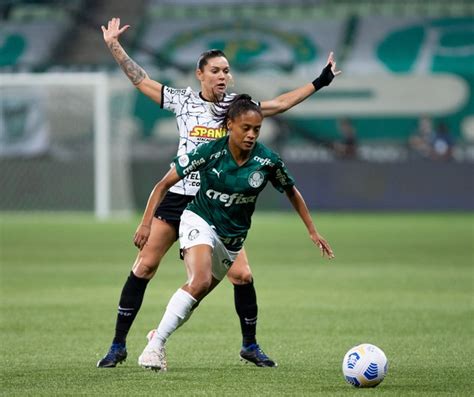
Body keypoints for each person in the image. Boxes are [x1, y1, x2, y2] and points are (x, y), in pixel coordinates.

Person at [97, 17, 341, 369]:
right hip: (180, 195)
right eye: (215, 70)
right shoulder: (182, 102)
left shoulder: (240, 109)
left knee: (241, 276)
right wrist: (115, 47)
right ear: (200, 74)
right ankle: (118, 345)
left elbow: (282, 103)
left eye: (226, 70)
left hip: (216, 201)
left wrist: (321, 80)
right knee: (146, 265)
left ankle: (249, 345)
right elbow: (141, 80)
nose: (223, 76)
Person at [135, 94, 334, 371]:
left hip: (232, 237)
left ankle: (163, 335)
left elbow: (291, 190)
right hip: (199, 219)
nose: (251, 134)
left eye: (257, 129)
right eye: (246, 128)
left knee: (224, 283)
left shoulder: (267, 161)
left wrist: (312, 231)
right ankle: (153, 349)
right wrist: (146, 223)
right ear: (230, 124)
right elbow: (162, 185)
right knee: (200, 280)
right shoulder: (210, 152)